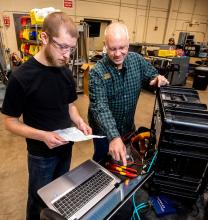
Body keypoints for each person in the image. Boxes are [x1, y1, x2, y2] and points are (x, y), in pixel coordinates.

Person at [1, 12, 92, 220]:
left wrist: (79, 122)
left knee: (60, 198)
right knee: (38, 201)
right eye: (62, 47)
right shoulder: (22, 77)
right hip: (41, 155)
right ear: (44, 38)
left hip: (65, 147)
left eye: (71, 48)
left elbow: (69, 106)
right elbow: (10, 123)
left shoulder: (65, 72)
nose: (67, 55)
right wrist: (43, 136)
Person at [88, 22, 169, 166]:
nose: (118, 54)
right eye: (112, 49)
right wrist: (113, 137)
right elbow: (100, 108)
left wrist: (157, 79)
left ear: (128, 43)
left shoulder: (136, 60)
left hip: (127, 127)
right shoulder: (97, 72)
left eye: (122, 48)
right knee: (102, 161)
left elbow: (152, 75)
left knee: (125, 160)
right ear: (105, 45)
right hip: (104, 132)